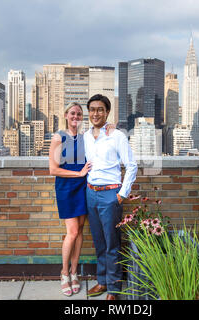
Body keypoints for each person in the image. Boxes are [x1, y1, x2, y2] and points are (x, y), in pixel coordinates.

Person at [49, 102, 116, 297]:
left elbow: (103, 135)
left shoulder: (86, 137)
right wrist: (78, 174)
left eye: (79, 114)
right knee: (72, 232)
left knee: (79, 233)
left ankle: (74, 272)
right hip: (67, 189)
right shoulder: (58, 137)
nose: (75, 117)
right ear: (66, 115)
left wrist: (110, 126)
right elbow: (53, 169)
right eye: (72, 113)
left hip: (83, 188)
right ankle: (63, 273)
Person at [84, 94, 138, 300]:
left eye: (100, 109)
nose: (95, 113)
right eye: (92, 109)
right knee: (99, 241)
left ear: (107, 112)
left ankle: (114, 289)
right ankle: (102, 281)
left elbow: (131, 165)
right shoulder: (87, 136)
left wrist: (122, 194)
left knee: (112, 243)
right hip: (91, 193)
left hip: (110, 195)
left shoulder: (117, 136)